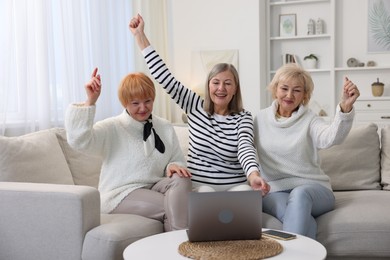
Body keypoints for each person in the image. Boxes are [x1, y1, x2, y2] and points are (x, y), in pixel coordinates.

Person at [129, 14, 269, 195]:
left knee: (244, 193)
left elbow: (245, 148)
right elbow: (165, 78)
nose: (221, 88)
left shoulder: (243, 117)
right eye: (216, 82)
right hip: (200, 186)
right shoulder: (195, 105)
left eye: (227, 83)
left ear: (235, 89)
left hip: (235, 185)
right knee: (205, 195)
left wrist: (253, 176)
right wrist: (140, 36)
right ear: (208, 85)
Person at [65, 67, 192, 231]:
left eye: (148, 101)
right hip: (121, 193)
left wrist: (173, 166)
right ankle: (180, 248)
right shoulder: (112, 127)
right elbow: (79, 141)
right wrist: (90, 101)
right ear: (125, 103)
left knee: (182, 179)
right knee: (176, 208)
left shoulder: (165, 126)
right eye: (135, 103)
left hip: (154, 186)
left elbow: (177, 159)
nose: (143, 108)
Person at [253, 63, 360, 239]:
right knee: (300, 219)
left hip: (314, 189)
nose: (289, 95)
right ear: (275, 89)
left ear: (304, 95)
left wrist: (344, 108)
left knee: (300, 194)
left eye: (296, 90)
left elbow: (331, 137)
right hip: (275, 191)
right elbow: (243, 148)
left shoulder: (309, 119)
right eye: (284, 88)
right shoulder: (260, 119)